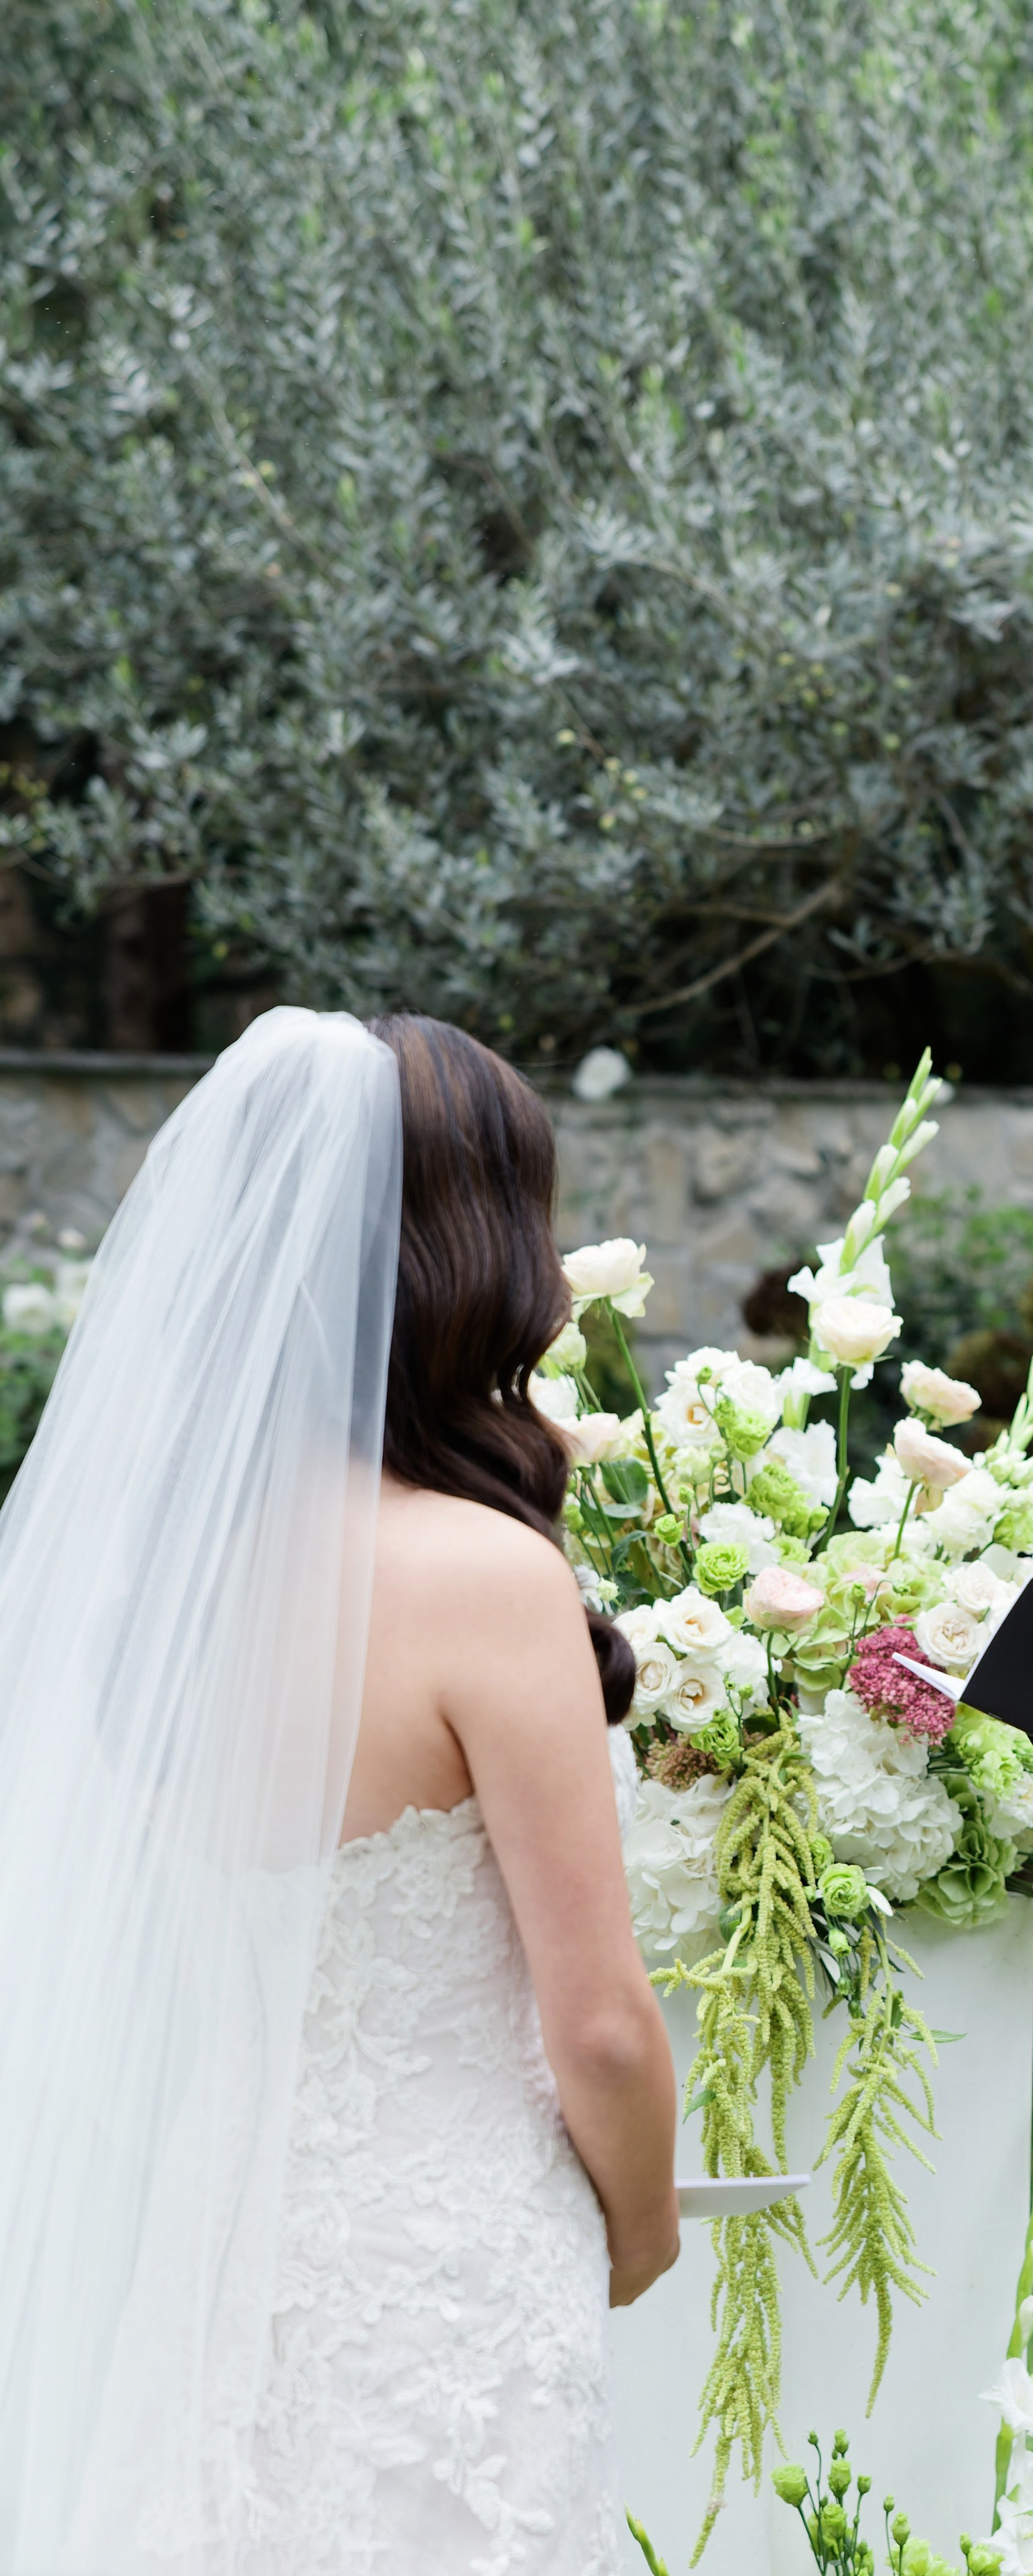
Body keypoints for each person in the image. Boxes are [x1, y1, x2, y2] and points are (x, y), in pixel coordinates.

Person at [0, 1007, 677, 2575]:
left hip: (211, 2249)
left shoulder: (148, 1588)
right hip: (441, 2279)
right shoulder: (482, 1576)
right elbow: (595, 2023)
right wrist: (637, 2225)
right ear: (477, 1251)